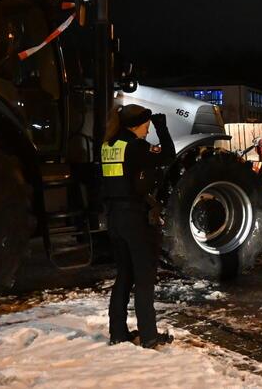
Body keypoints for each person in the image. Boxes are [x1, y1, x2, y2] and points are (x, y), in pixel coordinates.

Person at [102, 103, 176, 348]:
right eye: (146, 125)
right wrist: (162, 129)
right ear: (136, 125)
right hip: (135, 218)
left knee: (124, 275)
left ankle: (118, 332)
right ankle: (149, 336)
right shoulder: (135, 146)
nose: (148, 130)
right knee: (144, 277)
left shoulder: (108, 146)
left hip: (115, 217)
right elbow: (168, 156)